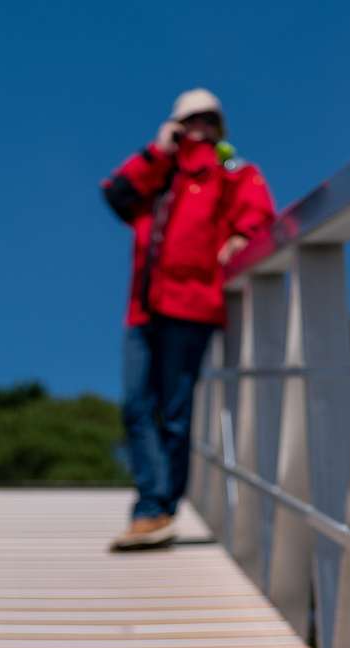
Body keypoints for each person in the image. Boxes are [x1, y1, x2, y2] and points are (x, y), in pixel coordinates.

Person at [100, 88, 274, 550]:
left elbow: (258, 213)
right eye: (190, 119)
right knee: (136, 406)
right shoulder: (161, 174)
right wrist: (158, 149)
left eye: (208, 119)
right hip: (143, 308)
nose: (199, 127)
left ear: (220, 126)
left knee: (174, 413)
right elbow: (117, 196)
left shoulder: (230, 171)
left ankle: (155, 509)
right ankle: (154, 506)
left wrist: (242, 237)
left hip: (191, 304)